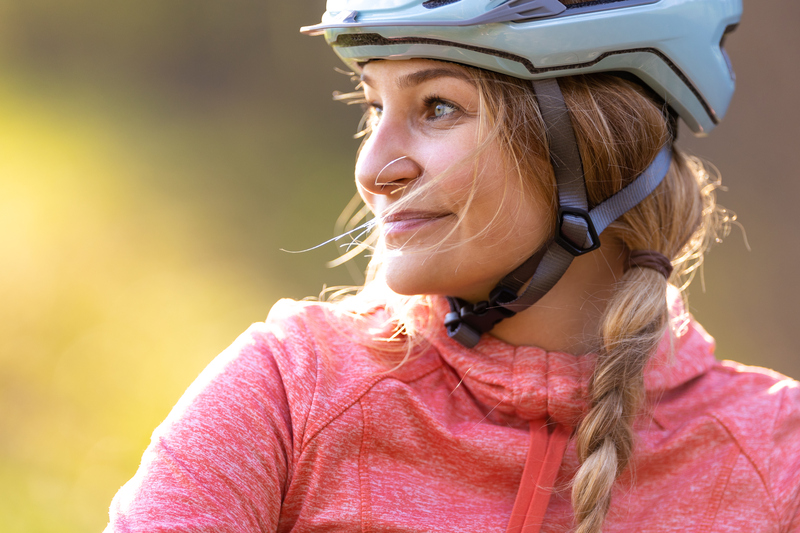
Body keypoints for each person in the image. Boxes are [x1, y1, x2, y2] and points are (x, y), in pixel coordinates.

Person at [105, 0, 800, 532]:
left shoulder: (775, 458)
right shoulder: (288, 395)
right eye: (373, 106)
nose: (373, 167)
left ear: (592, 148)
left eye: (437, 107)